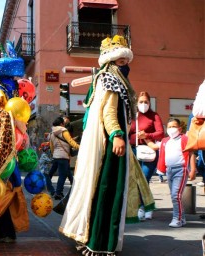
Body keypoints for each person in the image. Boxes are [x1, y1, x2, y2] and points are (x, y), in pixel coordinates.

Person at [60, 35, 154, 255]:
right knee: (109, 191)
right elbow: (109, 112)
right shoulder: (110, 79)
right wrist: (118, 135)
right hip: (112, 147)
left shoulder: (107, 78)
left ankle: (97, 239)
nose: (125, 65)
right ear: (112, 62)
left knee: (105, 190)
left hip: (112, 144)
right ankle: (100, 243)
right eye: (121, 62)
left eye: (126, 61)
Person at [128, 91, 164, 220]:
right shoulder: (133, 116)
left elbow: (160, 133)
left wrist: (147, 135)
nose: (143, 104)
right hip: (133, 150)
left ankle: (144, 207)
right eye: (141, 102)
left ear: (150, 103)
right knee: (136, 181)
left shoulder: (154, 116)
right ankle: (143, 206)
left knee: (144, 179)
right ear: (137, 103)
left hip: (149, 152)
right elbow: (127, 133)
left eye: (146, 102)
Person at [156, 118, 189, 228]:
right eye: (169, 127)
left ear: (179, 128)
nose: (171, 129)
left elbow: (191, 153)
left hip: (181, 169)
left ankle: (177, 219)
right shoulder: (165, 141)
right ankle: (182, 217)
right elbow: (157, 148)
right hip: (169, 170)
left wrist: (192, 169)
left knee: (176, 195)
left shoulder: (184, 138)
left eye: (174, 126)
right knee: (175, 196)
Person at [45, 117, 79, 200]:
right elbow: (70, 141)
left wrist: (54, 154)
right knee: (62, 176)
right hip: (63, 157)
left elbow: (52, 146)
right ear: (61, 124)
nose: (64, 124)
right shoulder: (64, 131)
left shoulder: (51, 133)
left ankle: (52, 190)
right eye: (63, 123)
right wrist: (79, 147)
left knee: (51, 175)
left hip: (56, 157)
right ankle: (58, 193)